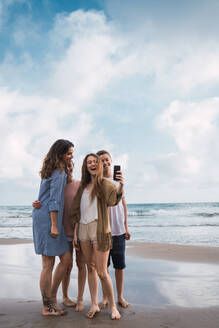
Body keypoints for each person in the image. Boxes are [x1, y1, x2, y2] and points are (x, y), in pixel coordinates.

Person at [70, 153, 124, 320]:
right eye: (89, 162)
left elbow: (114, 200)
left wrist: (121, 185)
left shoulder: (105, 184)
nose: (92, 164)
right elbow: (78, 212)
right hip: (83, 230)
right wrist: (75, 233)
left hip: (99, 229)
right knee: (90, 268)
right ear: (86, 166)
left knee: (102, 271)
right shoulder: (83, 187)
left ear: (99, 165)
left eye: (95, 162)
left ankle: (113, 306)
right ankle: (94, 303)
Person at [32, 161, 87, 312]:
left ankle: (53, 299)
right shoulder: (58, 180)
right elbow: (48, 198)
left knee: (68, 262)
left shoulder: (78, 184)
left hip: (72, 229)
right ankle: (51, 302)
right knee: (55, 264)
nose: (69, 168)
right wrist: (38, 204)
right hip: (56, 228)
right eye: (66, 165)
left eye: (71, 165)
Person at [32, 139, 74, 316]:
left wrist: (69, 172)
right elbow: (54, 200)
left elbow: (46, 196)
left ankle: (52, 300)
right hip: (49, 219)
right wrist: (55, 225)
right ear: (60, 154)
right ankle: (47, 306)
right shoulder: (57, 172)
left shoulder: (58, 171)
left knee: (65, 260)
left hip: (45, 215)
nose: (72, 156)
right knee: (48, 264)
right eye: (69, 153)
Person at [96, 150, 131, 309]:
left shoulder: (118, 181)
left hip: (119, 231)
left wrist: (126, 226)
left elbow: (123, 204)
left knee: (119, 266)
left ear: (111, 160)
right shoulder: (98, 182)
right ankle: (105, 297)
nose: (105, 163)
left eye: (107, 160)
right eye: (102, 160)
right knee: (104, 268)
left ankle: (120, 297)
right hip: (104, 230)